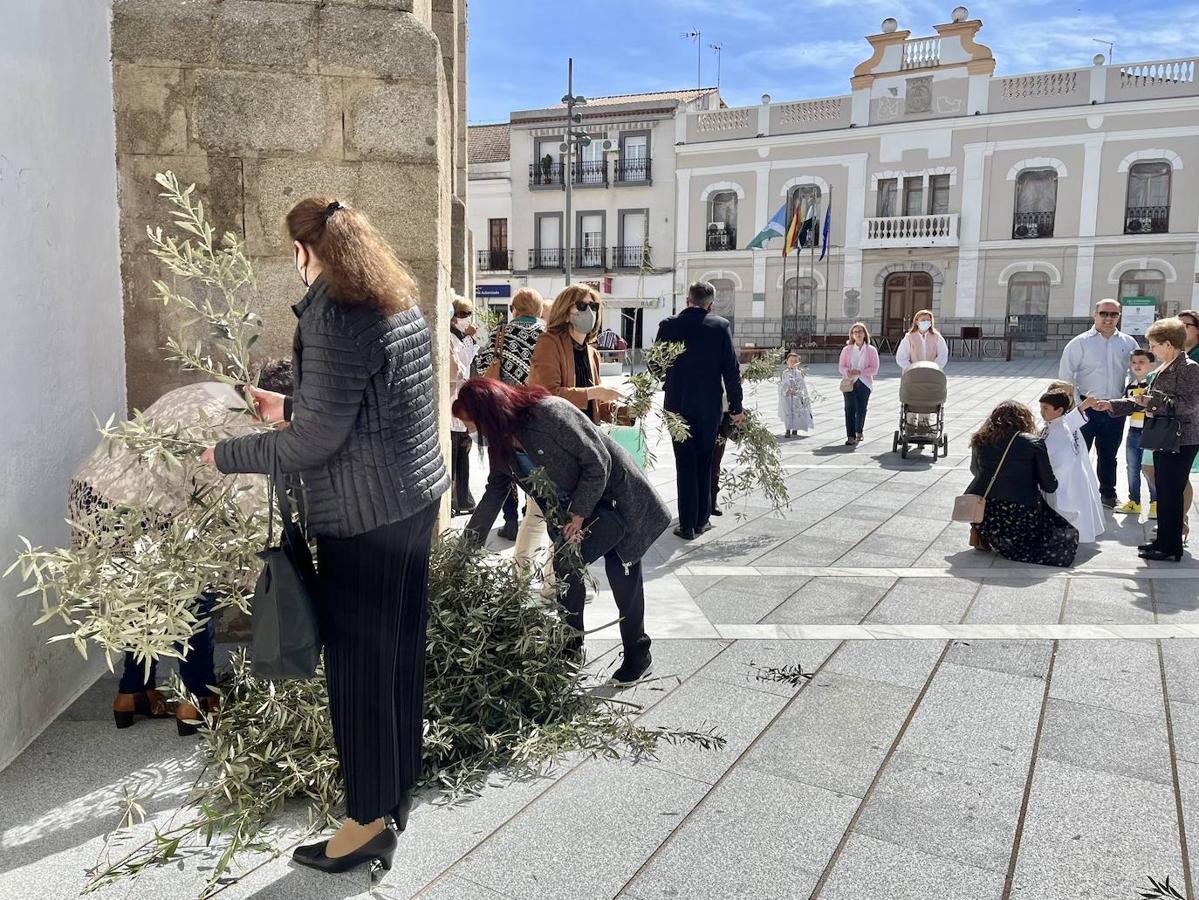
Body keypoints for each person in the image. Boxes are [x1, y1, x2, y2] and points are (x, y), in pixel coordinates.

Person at [203, 198, 449, 873]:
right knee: (396, 657)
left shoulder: (335, 316)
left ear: (306, 252)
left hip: (364, 519)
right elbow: (363, 405)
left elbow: (314, 443)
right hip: (410, 503)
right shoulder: (395, 302)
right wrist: (289, 406)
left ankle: (367, 824)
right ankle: (393, 795)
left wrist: (225, 455)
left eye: (294, 251)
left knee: (357, 674)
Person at [71, 362, 290, 736]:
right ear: (267, 401)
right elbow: (247, 514)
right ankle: (197, 699)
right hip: (138, 506)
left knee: (141, 596)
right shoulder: (239, 427)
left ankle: (133, 693)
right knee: (194, 591)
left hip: (95, 493)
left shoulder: (213, 391)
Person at [452, 377, 670, 684]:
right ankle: (570, 649)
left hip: (616, 499)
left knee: (622, 573)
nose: (473, 433)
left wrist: (579, 514)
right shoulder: (502, 445)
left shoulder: (550, 414)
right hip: (570, 516)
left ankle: (638, 652)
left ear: (489, 414)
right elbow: (493, 493)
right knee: (566, 572)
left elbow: (598, 462)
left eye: (473, 424)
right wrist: (463, 551)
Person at [527, 284, 629, 587]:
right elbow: (548, 395)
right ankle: (545, 582)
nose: (590, 312)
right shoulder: (549, 342)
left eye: (594, 306)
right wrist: (594, 392)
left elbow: (596, 406)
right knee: (543, 516)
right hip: (556, 446)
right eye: (582, 306)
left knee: (563, 519)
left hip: (584, 447)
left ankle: (559, 582)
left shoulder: (592, 352)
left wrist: (625, 412)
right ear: (566, 310)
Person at [1094, 317, 1199, 562]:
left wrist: (1151, 402)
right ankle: (1163, 540)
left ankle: (1171, 546)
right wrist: (1111, 404)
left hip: (1182, 439)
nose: (1151, 350)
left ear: (1170, 344)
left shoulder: (1190, 368)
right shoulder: (1164, 368)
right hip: (1164, 437)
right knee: (1164, 490)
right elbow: (1143, 400)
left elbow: (1188, 405)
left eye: (1154, 345)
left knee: (1171, 492)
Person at [651, 281, 744, 540]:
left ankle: (687, 524)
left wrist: (667, 379)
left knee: (685, 462)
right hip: (709, 406)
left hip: (677, 404)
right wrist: (736, 407)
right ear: (710, 304)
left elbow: (655, 364)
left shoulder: (668, 326)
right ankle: (702, 519)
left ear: (687, 300)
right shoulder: (720, 327)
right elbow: (731, 370)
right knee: (705, 460)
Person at [474, 287, 547, 540]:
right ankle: (532, 527)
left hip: (503, 418)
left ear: (514, 309)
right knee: (537, 479)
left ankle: (505, 525)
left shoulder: (501, 333)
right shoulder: (546, 334)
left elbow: (482, 365)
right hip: (538, 418)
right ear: (538, 310)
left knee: (498, 481)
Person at [967, 401, 1078, 567]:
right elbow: (1048, 484)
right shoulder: (1033, 443)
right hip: (1021, 510)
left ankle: (983, 533)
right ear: (1024, 419)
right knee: (1066, 534)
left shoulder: (980, 439)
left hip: (984, 509)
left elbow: (975, 470)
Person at [1058, 299, 1139, 508]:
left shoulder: (1129, 343)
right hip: (1086, 409)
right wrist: (1079, 407)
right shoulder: (1079, 343)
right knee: (1078, 453)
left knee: (1109, 455)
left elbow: (1137, 374)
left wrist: (1126, 401)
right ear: (1094, 315)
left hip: (1114, 409)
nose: (1108, 318)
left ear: (1119, 316)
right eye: (1104, 313)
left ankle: (1108, 495)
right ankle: (1076, 495)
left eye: (1114, 314)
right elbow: (1066, 378)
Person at [1039, 391, 1105, 543]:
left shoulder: (1060, 430)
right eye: (1041, 408)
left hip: (1065, 478)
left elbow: (1058, 459)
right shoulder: (1058, 423)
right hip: (1068, 476)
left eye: (1046, 408)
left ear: (1059, 410)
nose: (1042, 412)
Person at [1117, 349, 1159, 517]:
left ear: (1152, 365)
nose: (1137, 365)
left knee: (1150, 468)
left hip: (1150, 431)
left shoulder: (1155, 385)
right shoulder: (1131, 385)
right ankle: (1134, 501)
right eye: (1134, 362)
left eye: (1142, 362)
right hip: (1133, 431)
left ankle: (1155, 502)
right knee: (1132, 467)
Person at [449, 296, 479, 516]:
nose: (466, 318)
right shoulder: (453, 338)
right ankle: (457, 499)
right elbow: (462, 368)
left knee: (463, 451)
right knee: (456, 452)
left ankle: (462, 499)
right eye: (462, 314)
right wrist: (468, 340)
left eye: (469, 314)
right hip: (453, 402)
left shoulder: (460, 337)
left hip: (462, 402)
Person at [838, 322, 880, 446]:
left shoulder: (871, 350)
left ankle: (859, 431)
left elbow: (875, 369)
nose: (858, 334)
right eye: (855, 332)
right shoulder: (847, 349)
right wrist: (847, 371)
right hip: (850, 382)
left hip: (864, 383)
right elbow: (841, 366)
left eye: (860, 331)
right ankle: (850, 436)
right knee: (849, 408)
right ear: (852, 335)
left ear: (864, 334)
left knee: (861, 409)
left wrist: (861, 371)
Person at [778, 352, 812, 437]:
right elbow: (782, 384)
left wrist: (798, 391)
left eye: (795, 361)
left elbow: (802, 384)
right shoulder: (784, 373)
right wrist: (787, 390)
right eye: (791, 361)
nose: (793, 363)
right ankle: (787, 429)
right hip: (787, 396)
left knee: (797, 411)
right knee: (788, 412)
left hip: (796, 396)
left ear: (798, 362)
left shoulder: (799, 373)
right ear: (787, 361)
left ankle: (795, 428)